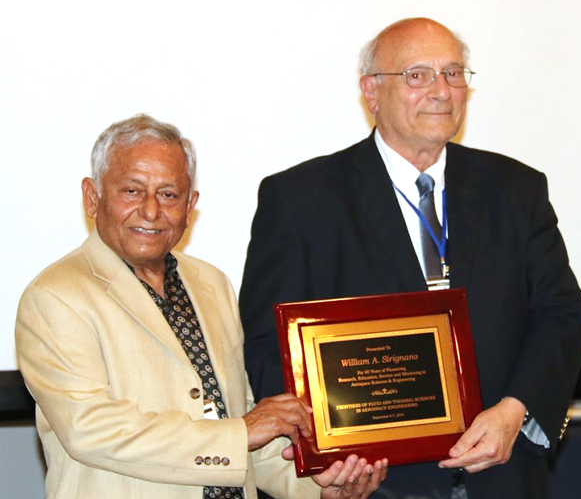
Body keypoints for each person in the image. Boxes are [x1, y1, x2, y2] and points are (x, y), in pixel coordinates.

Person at [239, 18, 581, 499]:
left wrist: (517, 410)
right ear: (371, 92)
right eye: (418, 75)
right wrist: (327, 449)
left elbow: (561, 315)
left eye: (453, 73)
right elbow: (267, 343)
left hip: (503, 477)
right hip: (376, 483)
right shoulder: (300, 199)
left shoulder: (516, 190)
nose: (441, 91)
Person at [15, 114, 387, 499]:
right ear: (92, 197)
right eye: (131, 191)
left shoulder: (211, 284)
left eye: (169, 194)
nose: (151, 210)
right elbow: (90, 429)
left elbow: (236, 420)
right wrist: (241, 431)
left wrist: (318, 486)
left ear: (190, 206)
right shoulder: (55, 296)